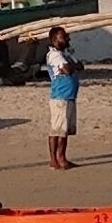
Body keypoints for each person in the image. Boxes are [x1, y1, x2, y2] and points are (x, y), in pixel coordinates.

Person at [42, 26, 81, 170]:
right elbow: (67, 69)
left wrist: (72, 65)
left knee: (64, 131)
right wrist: (72, 66)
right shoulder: (54, 55)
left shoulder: (66, 54)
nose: (66, 39)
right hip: (60, 96)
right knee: (57, 129)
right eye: (63, 37)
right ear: (54, 39)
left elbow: (79, 66)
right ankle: (53, 159)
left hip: (69, 95)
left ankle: (62, 157)